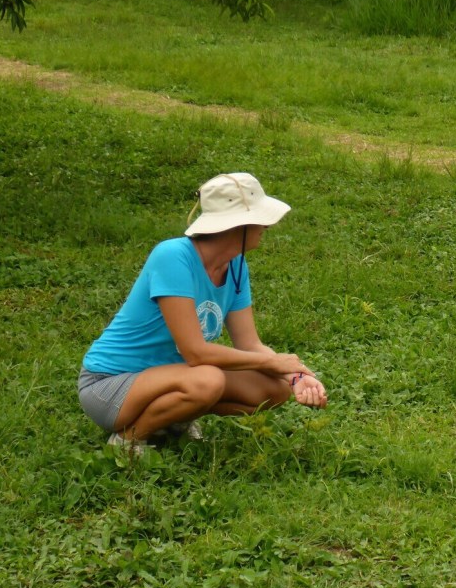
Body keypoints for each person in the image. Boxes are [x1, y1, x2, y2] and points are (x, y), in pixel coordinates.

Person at [78, 172, 327, 454]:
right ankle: (127, 440)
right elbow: (195, 352)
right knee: (208, 380)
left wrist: (294, 376)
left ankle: (174, 419)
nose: (267, 226)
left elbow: (250, 344)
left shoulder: (236, 267)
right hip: (110, 385)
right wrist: (273, 362)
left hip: (175, 376)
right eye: (261, 219)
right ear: (238, 224)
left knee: (274, 390)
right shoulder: (173, 256)